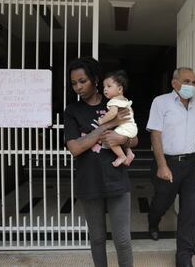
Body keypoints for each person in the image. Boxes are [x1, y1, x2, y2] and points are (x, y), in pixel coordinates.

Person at [64, 57, 137, 267]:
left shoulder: (115, 101)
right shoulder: (72, 111)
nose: (78, 87)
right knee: (97, 239)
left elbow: (135, 137)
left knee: (122, 240)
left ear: (95, 80)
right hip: (89, 182)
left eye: (82, 81)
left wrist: (122, 139)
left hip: (117, 180)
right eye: (74, 83)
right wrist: (107, 126)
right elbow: (75, 148)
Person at [146, 67, 195, 267]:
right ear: (174, 83)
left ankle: (184, 257)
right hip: (168, 163)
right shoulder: (161, 102)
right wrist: (162, 165)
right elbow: (155, 134)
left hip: (192, 164)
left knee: (189, 210)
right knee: (162, 201)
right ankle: (153, 220)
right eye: (187, 81)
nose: (191, 86)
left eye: (194, 82)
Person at [98, 70, 137, 167]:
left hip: (124, 128)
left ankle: (121, 156)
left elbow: (112, 113)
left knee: (111, 139)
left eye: (109, 86)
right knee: (119, 136)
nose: (105, 89)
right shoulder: (124, 100)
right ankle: (129, 153)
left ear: (119, 89)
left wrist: (102, 120)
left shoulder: (113, 101)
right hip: (131, 128)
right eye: (104, 87)